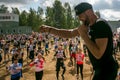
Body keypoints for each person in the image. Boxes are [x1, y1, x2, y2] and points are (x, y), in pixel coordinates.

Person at [39, 2, 118, 80]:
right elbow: (70, 33)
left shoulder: (100, 25)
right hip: (101, 69)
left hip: (107, 70)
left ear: (89, 12)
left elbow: (99, 54)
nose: (79, 18)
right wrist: (50, 29)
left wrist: (83, 35)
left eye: (80, 15)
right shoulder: (88, 25)